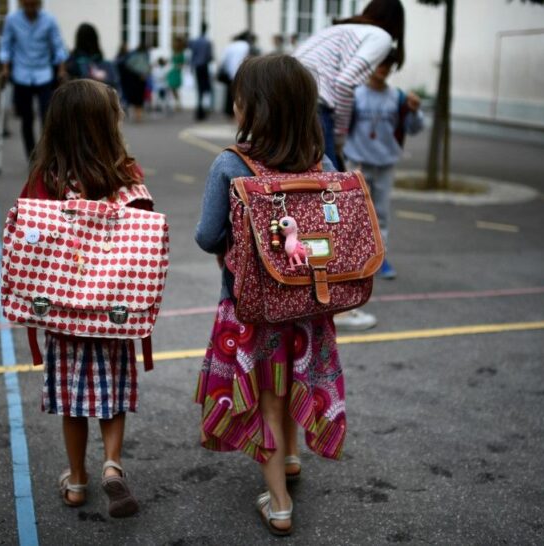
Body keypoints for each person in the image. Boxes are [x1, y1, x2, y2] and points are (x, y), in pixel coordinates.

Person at [194, 54, 344, 537]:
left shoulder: (230, 164)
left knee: (267, 397)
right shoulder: (322, 162)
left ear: (251, 108)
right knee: (295, 379)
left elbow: (207, 234)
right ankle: (293, 458)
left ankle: (278, 503)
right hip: (309, 302)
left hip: (252, 307)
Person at [18, 79, 151, 517]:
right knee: (111, 394)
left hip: (64, 310)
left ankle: (76, 480)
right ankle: (112, 464)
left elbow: (27, 238)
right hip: (113, 310)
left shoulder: (47, 179)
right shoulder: (125, 174)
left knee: (72, 403)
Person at [294, 0, 404, 331]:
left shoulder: (338, 30)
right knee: (332, 208)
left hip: (290, 102)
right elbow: (343, 84)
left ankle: (298, 296)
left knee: (300, 202)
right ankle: (337, 306)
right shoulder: (380, 37)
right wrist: (339, 134)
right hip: (316, 109)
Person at [345, 51, 424, 282]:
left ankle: (380, 258)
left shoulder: (397, 97)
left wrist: (415, 110)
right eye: (380, 63)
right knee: (355, 212)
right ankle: (353, 258)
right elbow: (342, 126)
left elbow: (414, 128)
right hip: (357, 160)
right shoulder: (355, 95)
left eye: (389, 64)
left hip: (386, 162)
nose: (384, 69)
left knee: (381, 214)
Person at [0, 0, 68, 158]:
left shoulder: (49, 20)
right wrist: (5, 68)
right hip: (21, 74)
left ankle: (48, 155)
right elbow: (6, 46)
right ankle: (31, 156)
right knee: (26, 118)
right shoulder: (12, 19)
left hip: (44, 73)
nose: (30, 8)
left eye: (33, 4)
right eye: (27, 4)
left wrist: (61, 69)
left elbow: (58, 46)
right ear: (22, 4)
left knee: (47, 117)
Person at [66, 23, 120, 96]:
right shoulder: (105, 64)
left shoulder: (73, 62)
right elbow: (115, 87)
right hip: (101, 99)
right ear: (95, 39)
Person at [218, 31, 252, 118]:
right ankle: (240, 112)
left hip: (230, 73)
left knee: (229, 94)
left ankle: (229, 112)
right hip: (242, 72)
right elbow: (247, 58)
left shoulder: (230, 46)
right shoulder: (245, 45)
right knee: (240, 94)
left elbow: (223, 60)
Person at [188, 22, 213, 121]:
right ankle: (203, 109)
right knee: (205, 88)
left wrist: (191, 67)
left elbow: (192, 55)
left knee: (199, 88)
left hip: (197, 67)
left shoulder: (195, 41)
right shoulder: (207, 42)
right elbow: (209, 56)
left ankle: (200, 109)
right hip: (204, 66)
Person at [120, 43, 149, 122]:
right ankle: (138, 115)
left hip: (135, 79)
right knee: (139, 98)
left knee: (136, 97)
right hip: (140, 79)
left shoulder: (133, 56)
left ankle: (137, 115)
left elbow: (128, 65)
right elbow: (145, 67)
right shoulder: (143, 56)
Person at [166, 36, 185, 110]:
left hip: (176, 72)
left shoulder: (181, 53)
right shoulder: (173, 52)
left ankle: (178, 104)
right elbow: (170, 60)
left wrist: (177, 66)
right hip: (172, 71)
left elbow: (182, 64)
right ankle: (177, 103)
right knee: (172, 88)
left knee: (175, 88)